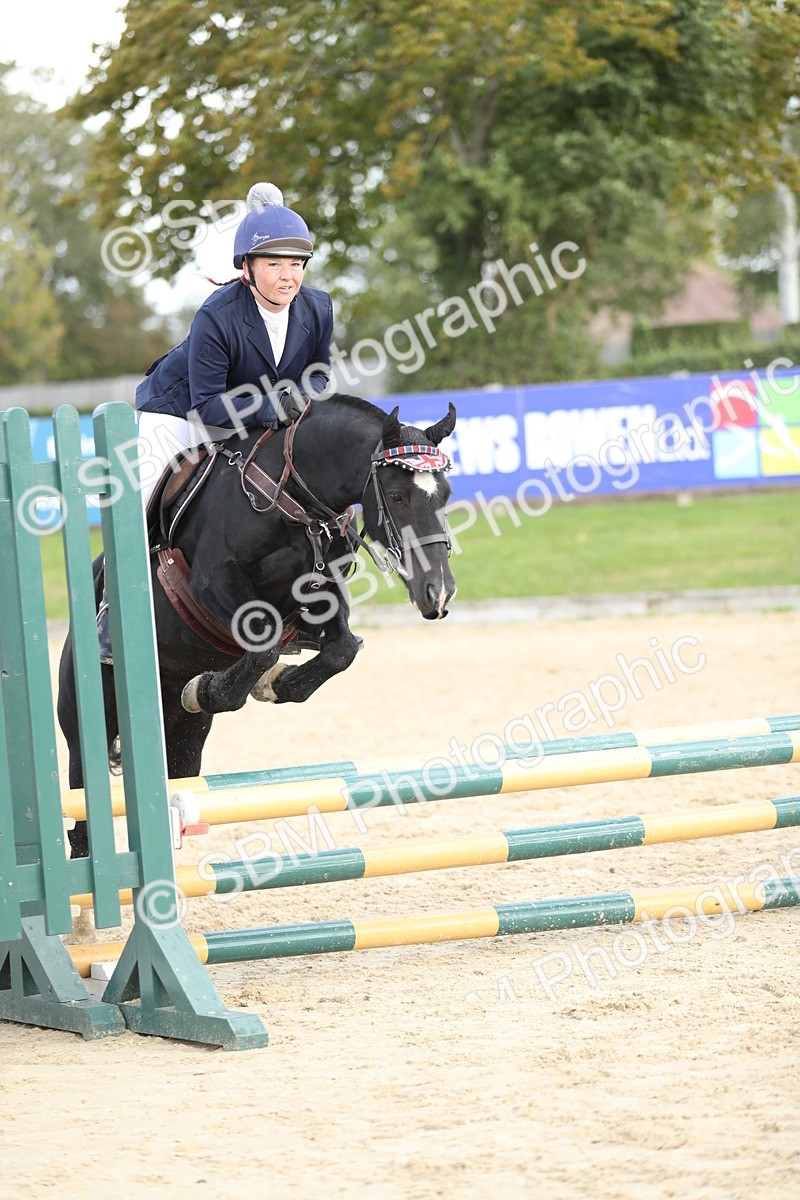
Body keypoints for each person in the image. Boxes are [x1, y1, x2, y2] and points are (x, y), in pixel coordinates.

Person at [98, 182, 334, 663]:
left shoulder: (318, 307)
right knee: (143, 501)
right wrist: (272, 406)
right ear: (246, 268)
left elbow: (320, 372)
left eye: (295, 264)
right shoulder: (216, 315)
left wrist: (297, 397)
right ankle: (111, 613)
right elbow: (207, 406)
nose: (287, 276)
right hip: (178, 412)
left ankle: (307, 612)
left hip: (248, 410)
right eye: (274, 264)